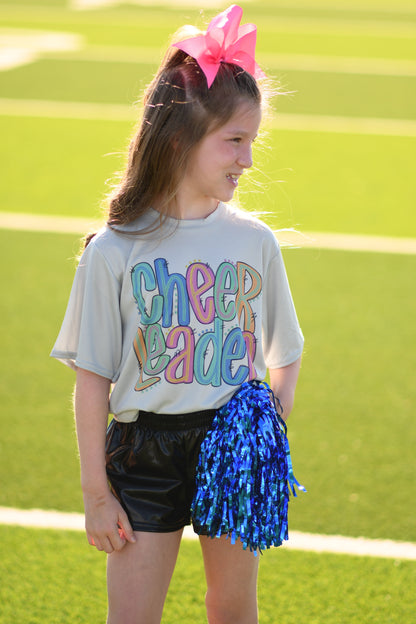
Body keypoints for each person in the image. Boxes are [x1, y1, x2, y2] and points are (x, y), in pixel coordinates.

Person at [51, 5, 304, 623]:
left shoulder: (254, 241)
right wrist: (95, 494)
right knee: (133, 614)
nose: (248, 159)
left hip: (228, 440)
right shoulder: (114, 250)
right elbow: (92, 383)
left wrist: (262, 434)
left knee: (233, 606)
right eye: (235, 141)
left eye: (252, 141)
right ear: (178, 139)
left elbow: (286, 352)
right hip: (144, 451)